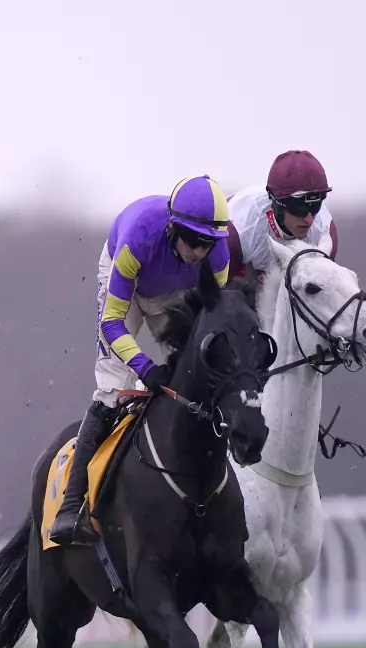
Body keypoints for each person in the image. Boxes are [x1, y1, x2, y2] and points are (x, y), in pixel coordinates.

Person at [48, 175, 231, 546]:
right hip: (126, 285)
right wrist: (145, 368)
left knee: (203, 379)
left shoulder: (218, 258)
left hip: (173, 294)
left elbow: (215, 327)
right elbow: (112, 323)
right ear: (173, 228)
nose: (199, 252)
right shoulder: (139, 237)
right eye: (194, 241)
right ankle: (70, 507)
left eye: (208, 244)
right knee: (113, 389)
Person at [227, 150, 337, 284]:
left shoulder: (323, 232)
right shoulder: (239, 229)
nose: (309, 219)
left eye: (315, 206)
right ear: (276, 203)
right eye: (299, 208)